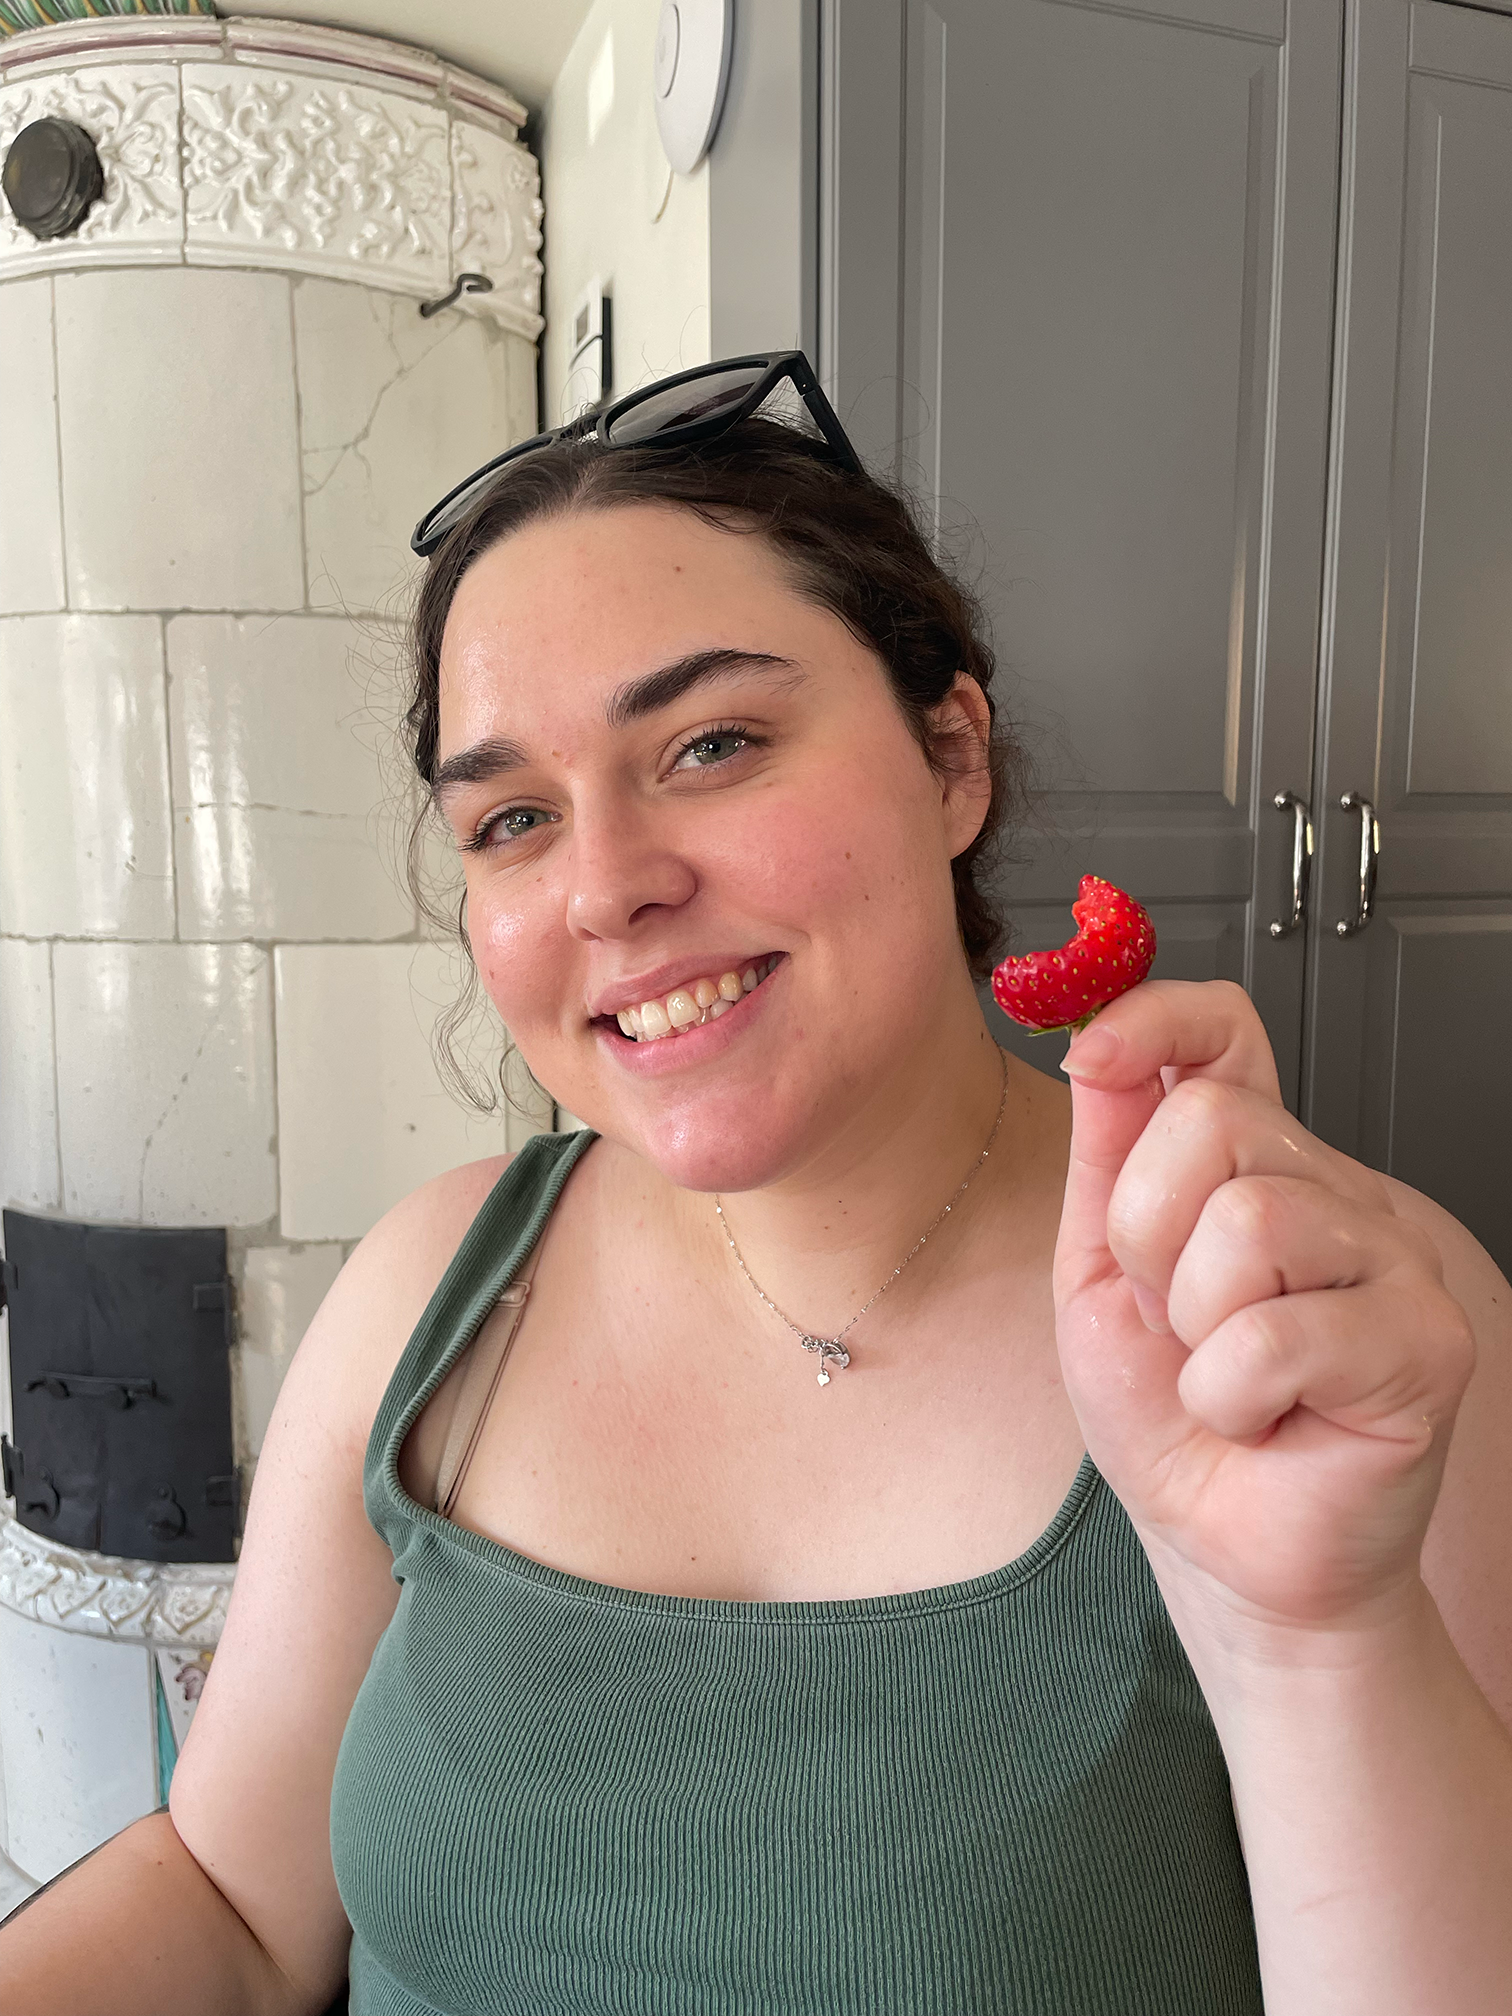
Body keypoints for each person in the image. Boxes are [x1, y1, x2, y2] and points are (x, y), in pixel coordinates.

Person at [2, 353, 1509, 2015]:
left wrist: (1323, 1643)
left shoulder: (1329, 1331)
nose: (606, 888)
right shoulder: (436, 1282)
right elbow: (230, 1907)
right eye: (511, 820)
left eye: (712, 743)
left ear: (953, 756)